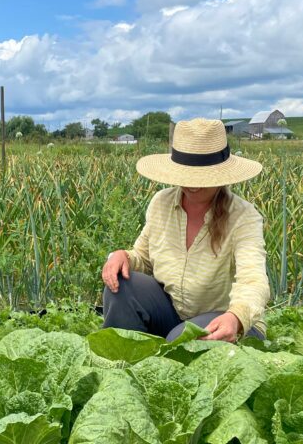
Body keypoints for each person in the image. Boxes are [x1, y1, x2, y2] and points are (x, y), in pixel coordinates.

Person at [101, 118, 271, 343]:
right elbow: (143, 258)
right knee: (122, 285)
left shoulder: (243, 217)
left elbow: (253, 280)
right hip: (175, 315)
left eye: (201, 175)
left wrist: (236, 316)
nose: (192, 184)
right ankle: (122, 365)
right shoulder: (162, 203)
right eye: (187, 173)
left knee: (181, 338)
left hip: (228, 323)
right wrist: (123, 256)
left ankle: (168, 358)